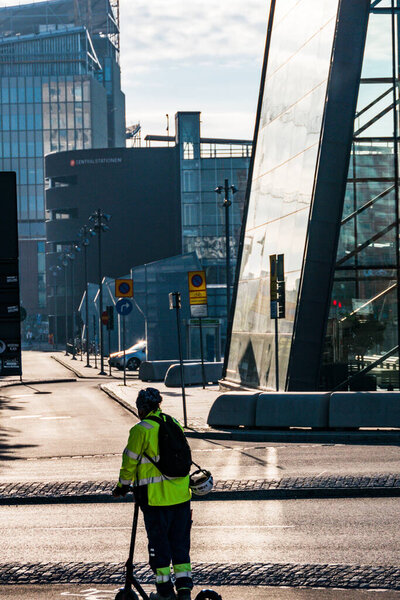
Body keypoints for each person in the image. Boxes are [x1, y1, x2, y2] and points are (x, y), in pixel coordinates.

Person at [112, 387, 193, 600]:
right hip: (182, 497)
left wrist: (122, 486)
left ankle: (165, 593)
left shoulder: (140, 430)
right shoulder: (173, 423)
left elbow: (129, 462)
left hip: (156, 500)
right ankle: (184, 590)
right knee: (180, 544)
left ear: (141, 408)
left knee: (160, 546)